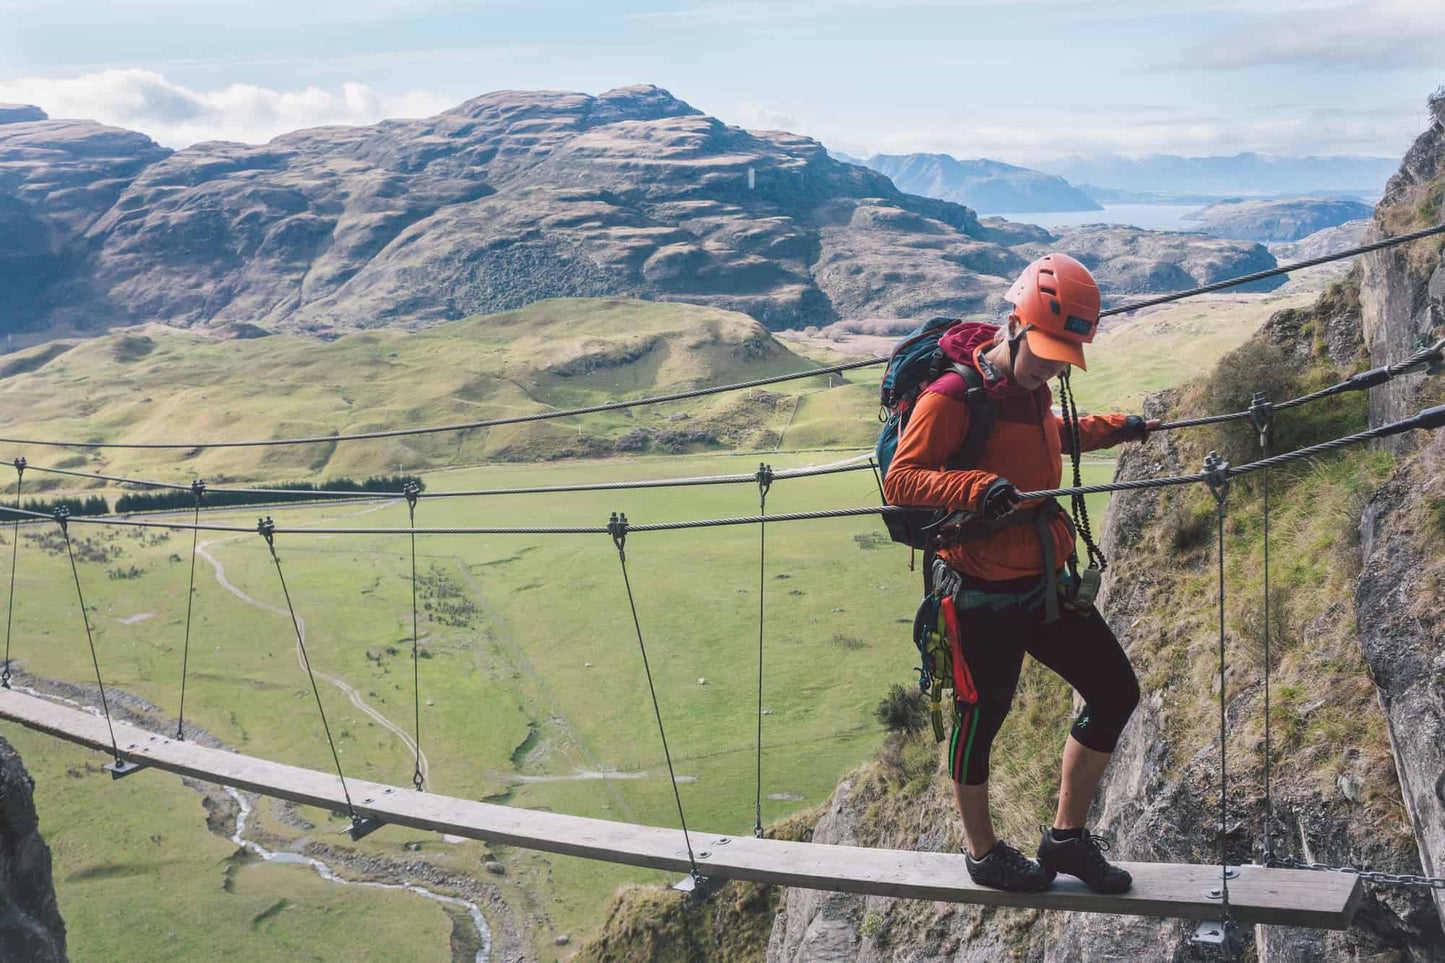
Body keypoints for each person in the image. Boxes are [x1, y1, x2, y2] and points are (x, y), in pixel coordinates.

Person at [882, 253, 1158, 894]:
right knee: (981, 720)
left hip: (1043, 583)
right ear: (1014, 325)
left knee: (1115, 691)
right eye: (1046, 352)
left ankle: (1065, 839)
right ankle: (983, 855)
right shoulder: (952, 396)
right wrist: (978, 486)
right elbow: (902, 478)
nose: (1053, 367)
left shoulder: (1032, 391)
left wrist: (1120, 429)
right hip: (978, 592)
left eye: (1064, 358)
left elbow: (1047, 436)